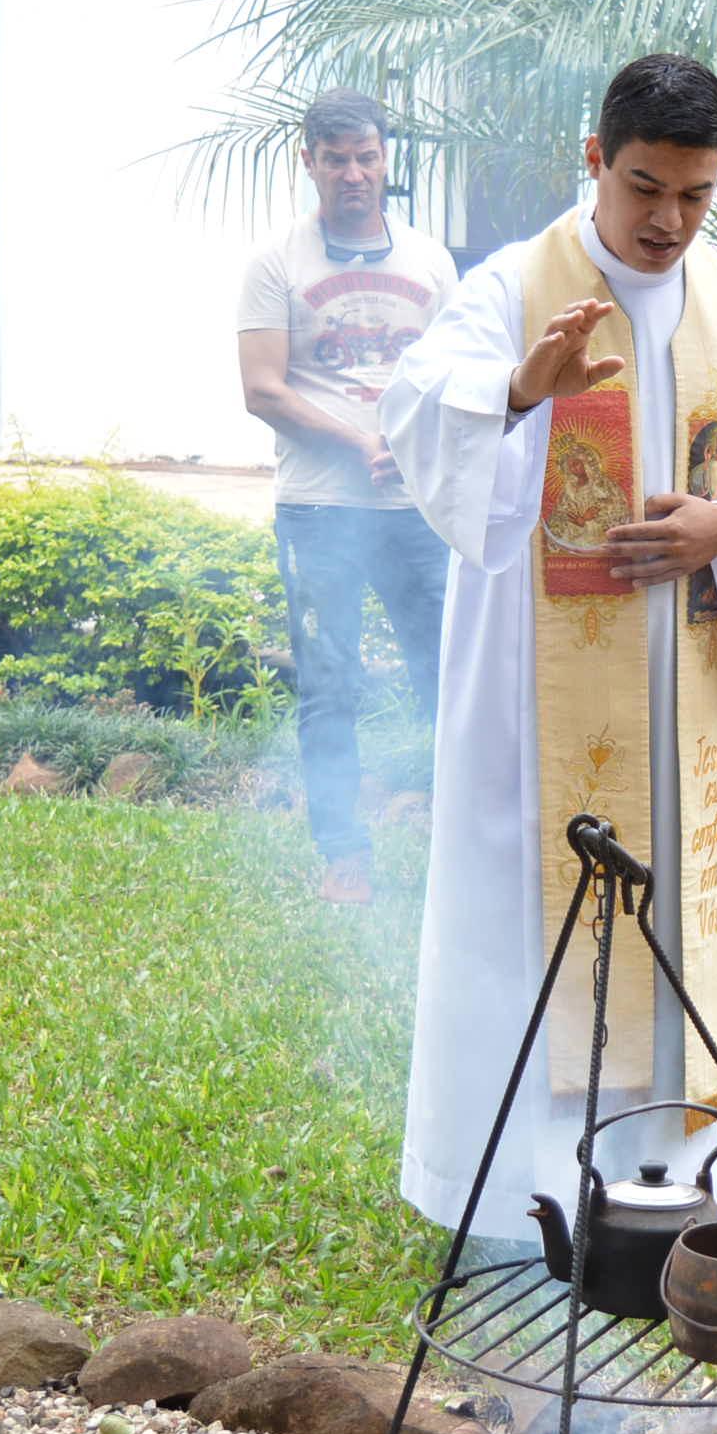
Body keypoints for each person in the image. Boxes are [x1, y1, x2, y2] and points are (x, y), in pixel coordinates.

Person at [379, 53, 717, 1252]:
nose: (667, 221)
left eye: (694, 194)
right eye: (643, 187)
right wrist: (514, 390)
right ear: (595, 158)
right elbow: (416, 413)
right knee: (525, 928)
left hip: (691, 711)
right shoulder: (512, 286)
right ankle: (508, 1199)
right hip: (533, 716)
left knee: (676, 923)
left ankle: (662, 1193)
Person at [234, 87, 459, 905]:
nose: (353, 173)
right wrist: (360, 443)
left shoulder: (431, 262)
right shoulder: (276, 263)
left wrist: (414, 445)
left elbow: (459, 377)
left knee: (446, 678)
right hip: (318, 507)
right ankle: (344, 857)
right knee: (329, 683)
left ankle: (459, 853)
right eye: (335, 159)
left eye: (366, 157)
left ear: (386, 159)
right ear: (310, 162)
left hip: (416, 510)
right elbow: (262, 389)